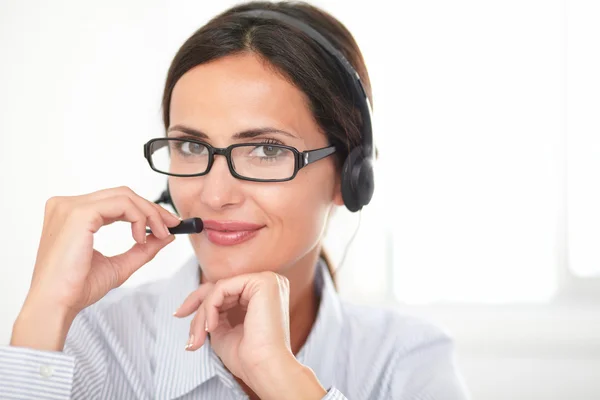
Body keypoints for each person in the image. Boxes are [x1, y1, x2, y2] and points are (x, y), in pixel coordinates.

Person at [0, 1, 469, 399]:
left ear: (349, 177)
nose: (214, 194)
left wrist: (285, 382)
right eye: (190, 147)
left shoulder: (407, 363)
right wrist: (43, 315)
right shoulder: (91, 343)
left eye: (266, 150)